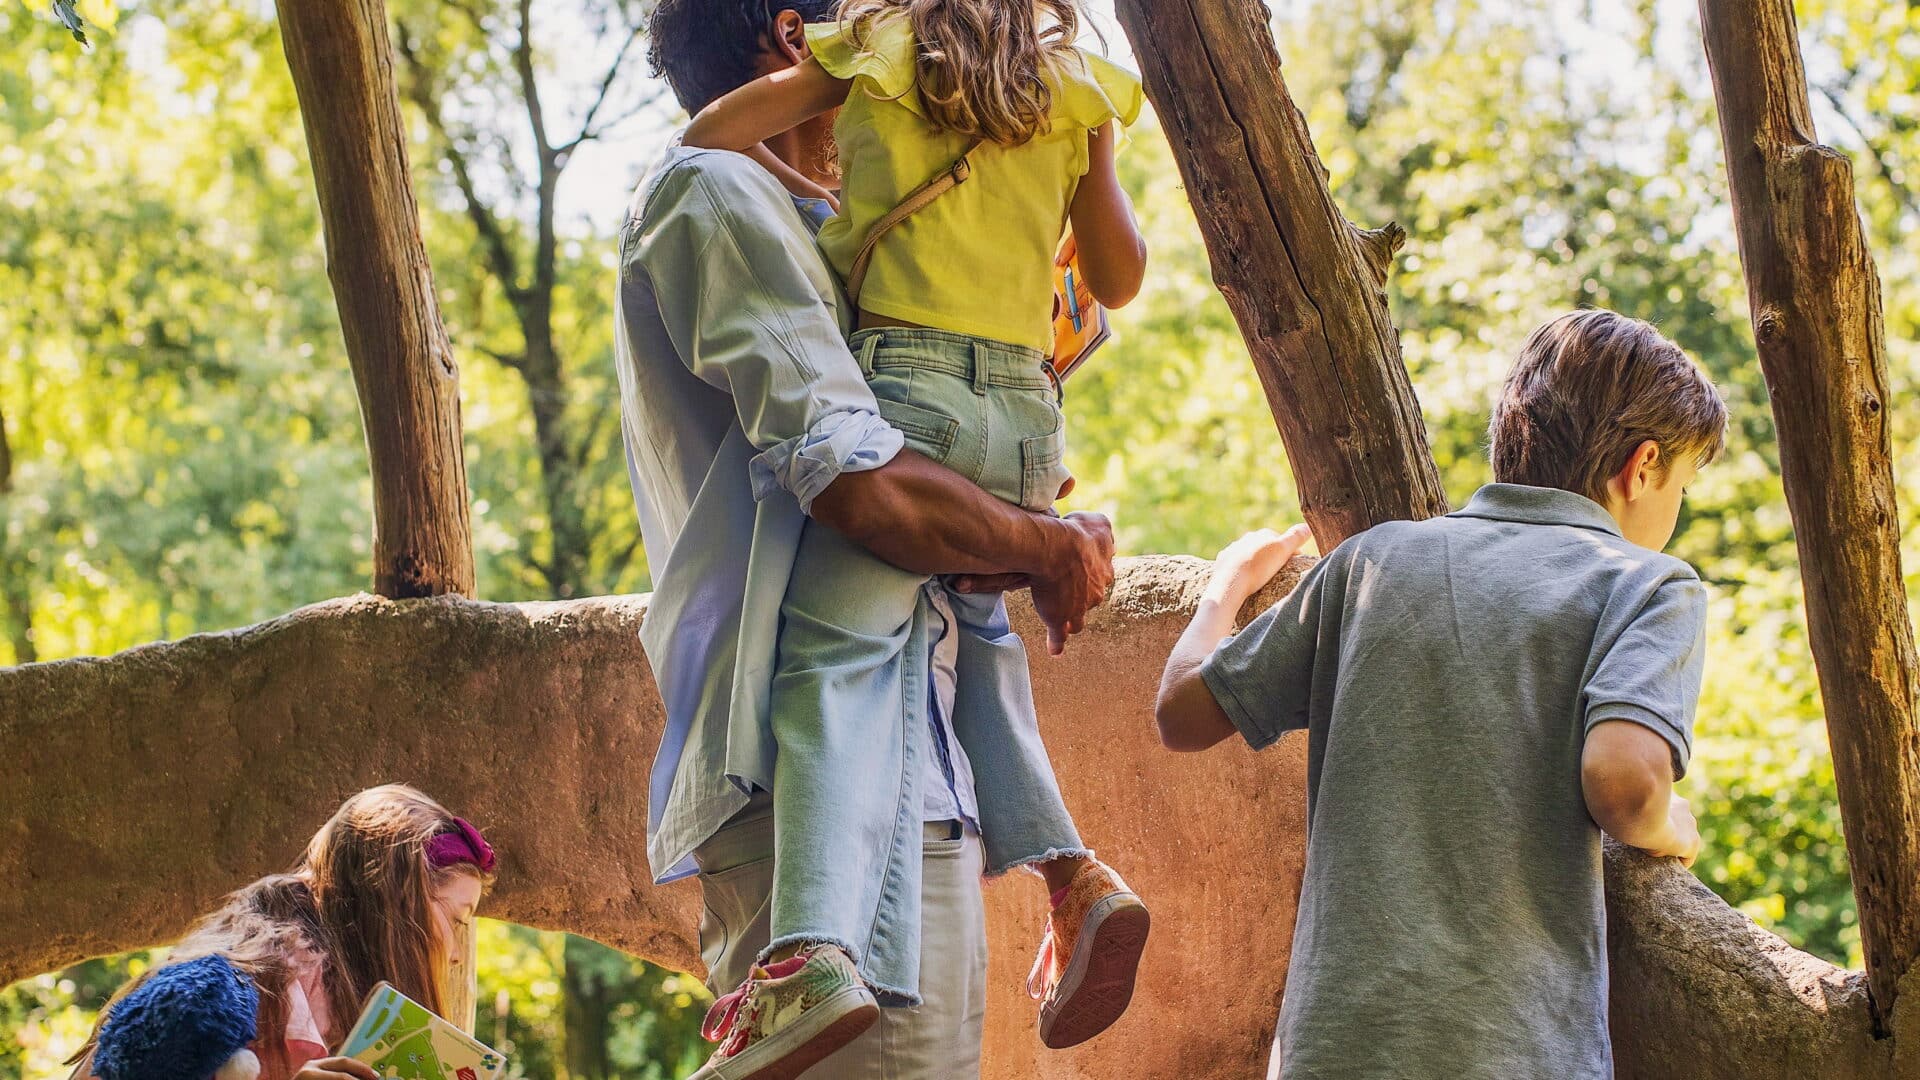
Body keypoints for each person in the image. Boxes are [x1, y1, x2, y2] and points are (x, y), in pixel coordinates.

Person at [624, 3, 1120, 1077]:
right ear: (803, 42)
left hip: (914, 770)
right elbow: (857, 483)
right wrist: (1044, 543)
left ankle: (1068, 868)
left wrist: (1019, 523)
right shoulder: (714, 189)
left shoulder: (843, 229)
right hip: (806, 795)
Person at [1154, 309, 1728, 1080]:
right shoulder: (1649, 586)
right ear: (1643, 467)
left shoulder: (1372, 561)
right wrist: (1671, 826)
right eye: (1684, 483)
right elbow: (1624, 783)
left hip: (1332, 1049)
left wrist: (1221, 595)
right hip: (1514, 1052)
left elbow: (1181, 712)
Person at [67, 785, 496, 1080]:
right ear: (399, 899)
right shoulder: (214, 996)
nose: (457, 953)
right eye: (456, 920)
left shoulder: (335, 1009)